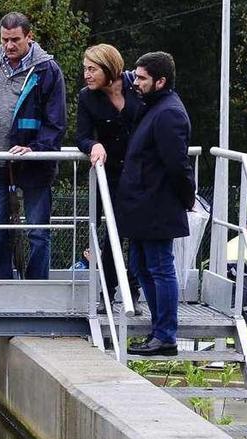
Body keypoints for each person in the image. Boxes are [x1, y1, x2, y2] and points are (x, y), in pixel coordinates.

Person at [0, 12, 66, 280]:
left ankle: (36, 289)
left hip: (34, 161)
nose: (9, 46)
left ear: (29, 37)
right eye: (4, 40)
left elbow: (56, 121)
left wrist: (35, 149)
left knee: (37, 229)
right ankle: (1, 287)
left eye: (15, 40)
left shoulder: (48, 70)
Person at [119, 52, 195, 357]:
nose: (135, 82)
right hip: (144, 204)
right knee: (141, 265)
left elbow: (177, 164)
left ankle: (165, 335)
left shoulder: (168, 113)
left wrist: (187, 198)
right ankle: (159, 330)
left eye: (141, 78)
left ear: (160, 81)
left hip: (157, 204)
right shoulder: (155, 105)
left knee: (160, 267)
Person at [76, 43, 143, 315]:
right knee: (112, 234)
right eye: (85, 69)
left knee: (139, 233)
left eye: (92, 69)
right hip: (112, 173)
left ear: (108, 68)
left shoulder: (137, 86)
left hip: (141, 173)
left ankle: (135, 291)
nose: (87, 75)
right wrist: (93, 144)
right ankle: (108, 294)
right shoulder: (86, 97)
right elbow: (81, 135)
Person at [226, 222, 247, 341]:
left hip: (226, 271)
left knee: (232, 303)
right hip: (240, 270)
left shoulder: (235, 240)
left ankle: (229, 337)